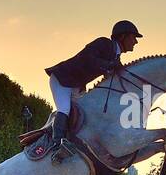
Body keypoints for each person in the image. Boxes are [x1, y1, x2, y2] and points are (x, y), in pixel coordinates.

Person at [39, 20, 142, 160]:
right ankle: (57, 146)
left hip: (76, 85)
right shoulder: (103, 43)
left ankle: (76, 143)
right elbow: (88, 58)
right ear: (123, 36)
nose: (136, 42)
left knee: (84, 114)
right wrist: (110, 65)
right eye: (133, 37)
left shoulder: (115, 57)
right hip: (62, 79)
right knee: (64, 109)